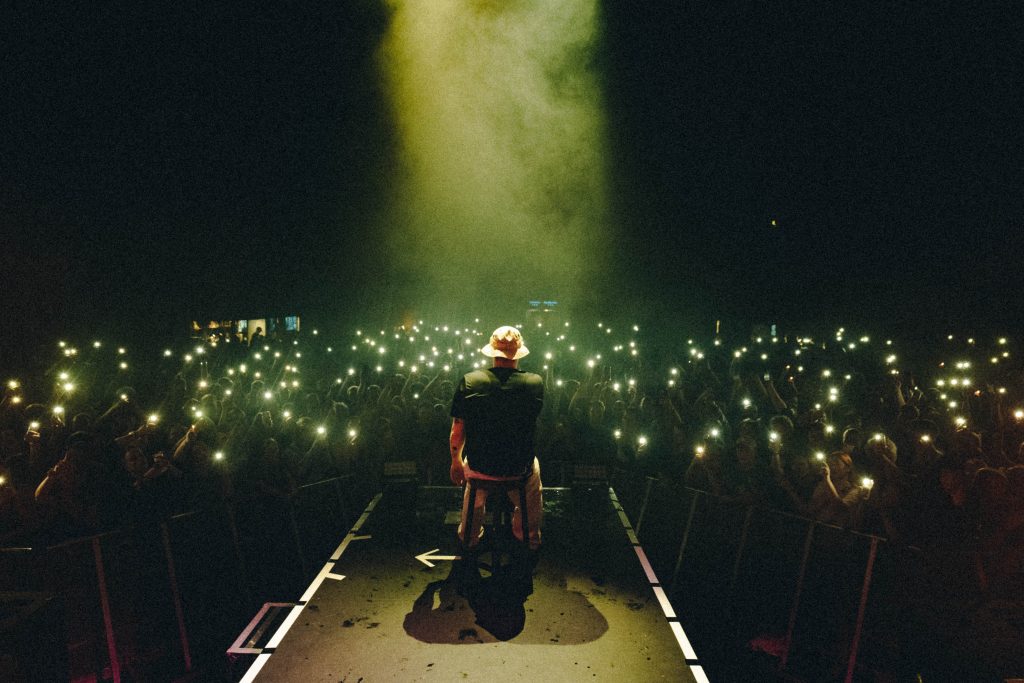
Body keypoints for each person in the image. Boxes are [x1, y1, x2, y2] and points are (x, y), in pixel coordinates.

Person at [449, 326, 544, 569]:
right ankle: (527, 538)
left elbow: (457, 432)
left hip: (482, 467)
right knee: (533, 473)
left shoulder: (470, 381)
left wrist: (455, 462)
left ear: (492, 353)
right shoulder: (535, 383)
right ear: (518, 354)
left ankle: (468, 537)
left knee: (473, 481)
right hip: (518, 470)